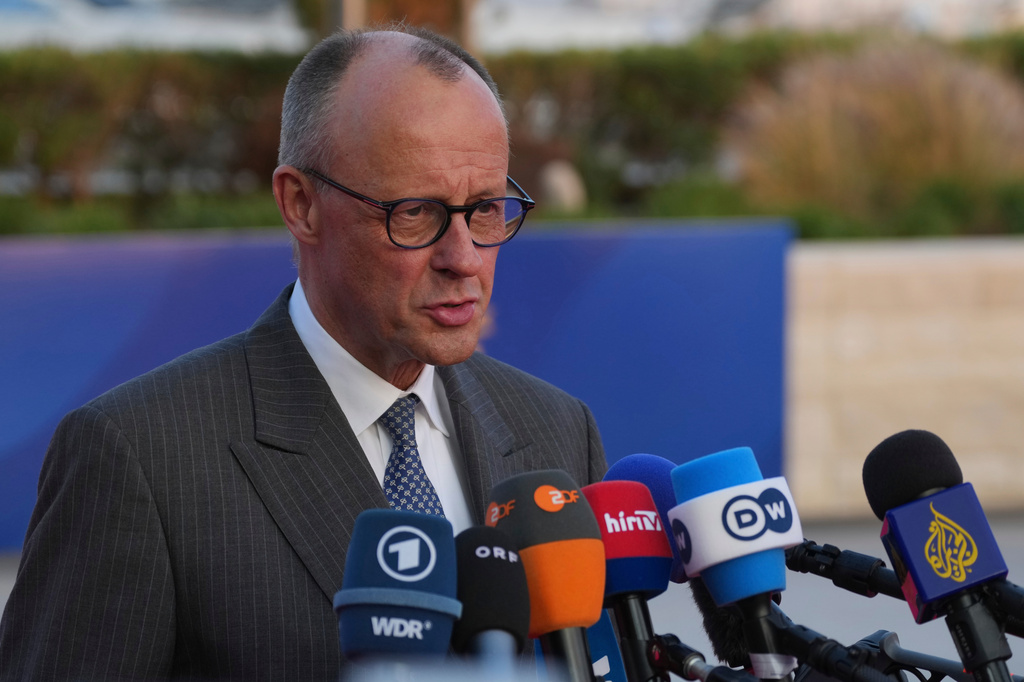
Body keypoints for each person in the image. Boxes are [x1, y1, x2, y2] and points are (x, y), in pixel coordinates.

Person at [0, 25, 607, 681]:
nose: (464, 258)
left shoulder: (556, 432)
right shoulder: (138, 458)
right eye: (415, 213)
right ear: (300, 205)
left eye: (486, 208)